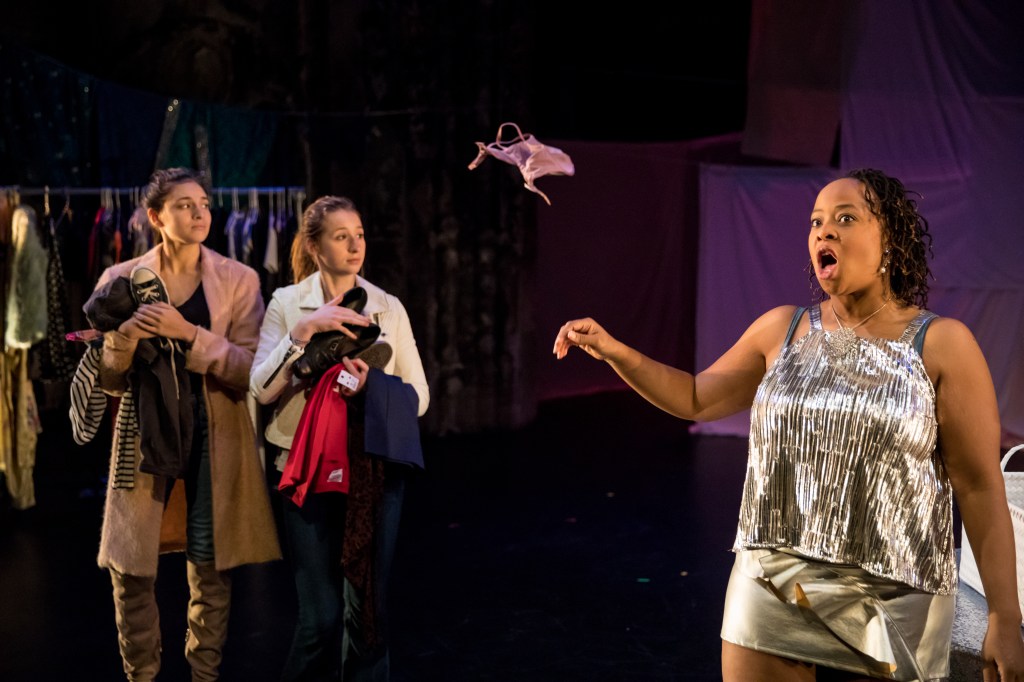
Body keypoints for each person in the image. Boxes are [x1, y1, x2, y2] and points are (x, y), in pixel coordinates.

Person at [552, 169, 1024, 681]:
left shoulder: (942, 344)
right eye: (816, 221)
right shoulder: (783, 329)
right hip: (774, 579)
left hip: (895, 591)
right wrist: (614, 351)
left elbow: (978, 486)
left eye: (846, 218)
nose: (825, 231)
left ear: (890, 239)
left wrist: (1004, 617)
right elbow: (694, 397)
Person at [83, 168, 281, 681]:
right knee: (131, 567)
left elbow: (252, 369)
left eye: (204, 204)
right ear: (156, 217)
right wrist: (124, 337)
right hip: (145, 431)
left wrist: (190, 334)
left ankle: (204, 674)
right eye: (185, 205)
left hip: (217, 430)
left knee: (210, 562)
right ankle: (141, 674)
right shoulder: (121, 278)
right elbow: (109, 380)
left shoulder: (239, 279)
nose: (199, 214)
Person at [250, 195, 429, 681]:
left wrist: (373, 387)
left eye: (360, 234)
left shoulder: (386, 307)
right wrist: (302, 333)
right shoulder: (288, 303)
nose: (355, 245)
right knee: (320, 619)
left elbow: (420, 397)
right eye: (341, 236)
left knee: (366, 615)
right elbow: (261, 389)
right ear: (314, 246)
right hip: (304, 469)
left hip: (372, 469)